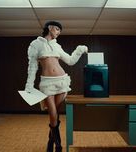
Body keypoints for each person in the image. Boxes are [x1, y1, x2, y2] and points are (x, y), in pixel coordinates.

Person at [25, 21, 88, 152]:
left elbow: (70, 61)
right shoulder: (35, 44)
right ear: (49, 28)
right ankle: (57, 144)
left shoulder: (57, 46)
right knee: (53, 114)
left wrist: (79, 50)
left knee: (56, 114)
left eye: (60, 30)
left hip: (61, 81)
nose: (58, 32)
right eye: (57, 29)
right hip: (47, 84)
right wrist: (29, 86)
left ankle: (51, 140)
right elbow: (32, 67)